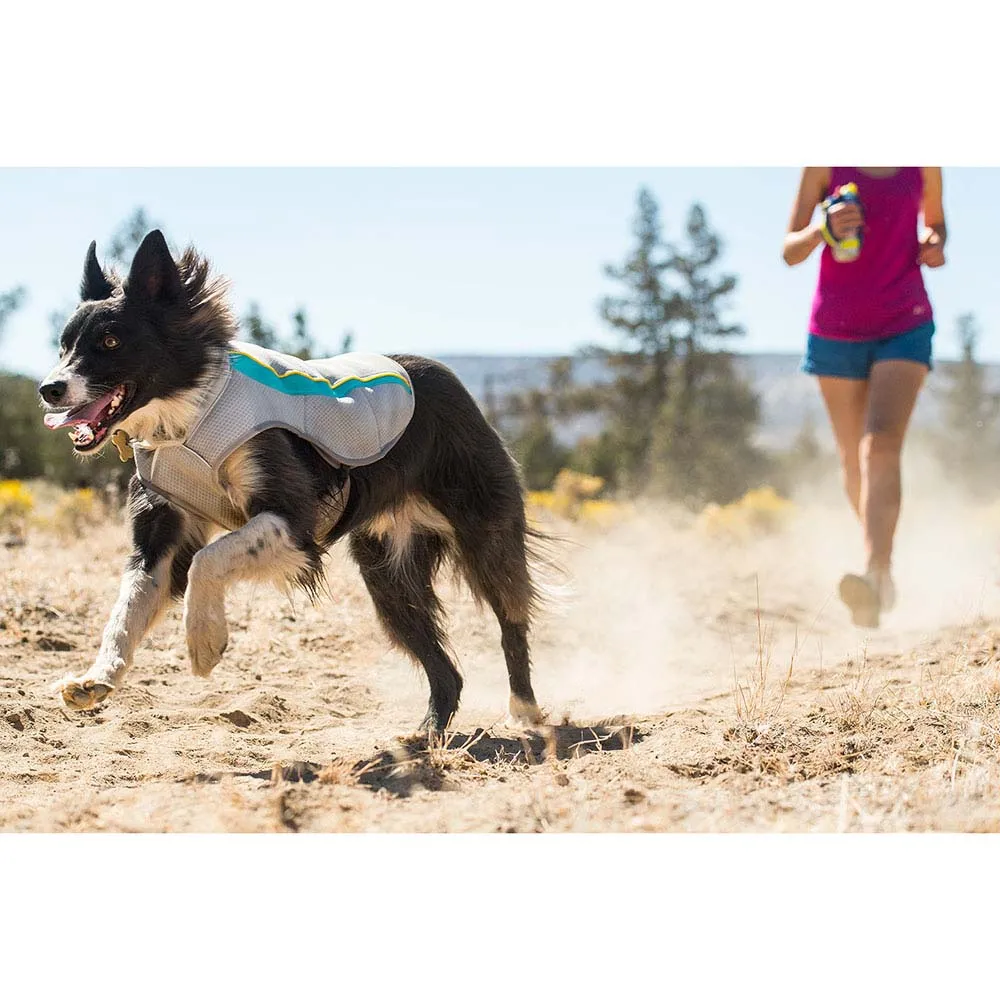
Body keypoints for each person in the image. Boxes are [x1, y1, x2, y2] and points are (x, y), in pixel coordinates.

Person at [783, 167, 946, 627]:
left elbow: (936, 221)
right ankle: (880, 566)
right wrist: (823, 229)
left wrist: (934, 243)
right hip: (835, 330)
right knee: (854, 462)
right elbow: (789, 251)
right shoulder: (824, 165)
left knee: (881, 444)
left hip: (905, 322)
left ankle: (877, 574)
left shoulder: (923, 162)